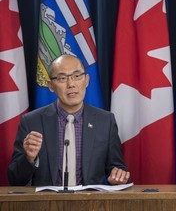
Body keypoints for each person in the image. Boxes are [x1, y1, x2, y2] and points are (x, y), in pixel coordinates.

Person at [8, 54, 130, 186]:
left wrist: (118, 176)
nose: (71, 84)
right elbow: (15, 180)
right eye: (62, 78)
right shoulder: (31, 122)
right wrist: (29, 159)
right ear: (50, 85)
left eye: (77, 76)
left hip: (91, 204)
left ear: (86, 80)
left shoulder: (105, 121)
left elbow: (116, 168)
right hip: (46, 204)